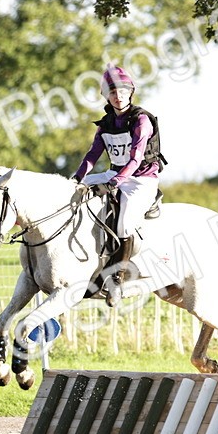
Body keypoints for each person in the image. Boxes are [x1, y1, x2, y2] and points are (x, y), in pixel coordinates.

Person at [72, 64, 166, 306]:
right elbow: (92, 157)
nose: (118, 95)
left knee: (124, 225)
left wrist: (114, 182)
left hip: (141, 180)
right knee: (73, 190)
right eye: (113, 92)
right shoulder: (105, 124)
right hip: (114, 174)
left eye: (123, 91)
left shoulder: (141, 120)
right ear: (106, 95)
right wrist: (76, 179)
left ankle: (116, 279)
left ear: (131, 92)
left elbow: (136, 159)